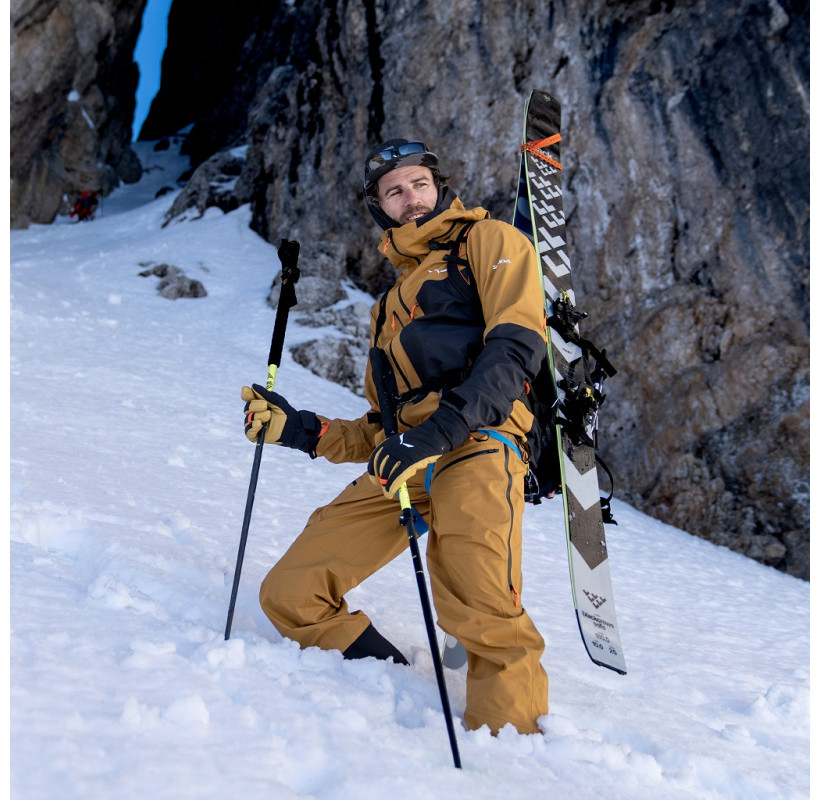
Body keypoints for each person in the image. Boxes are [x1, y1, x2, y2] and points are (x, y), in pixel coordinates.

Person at [241, 138, 549, 735]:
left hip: (477, 444)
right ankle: (394, 684)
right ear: (379, 207)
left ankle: (511, 749)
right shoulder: (386, 307)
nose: (410, 198)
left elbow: (514, 353)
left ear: (439, 186)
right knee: (291, 594)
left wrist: (438, 434)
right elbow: (382, 426)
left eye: (419, 184)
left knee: (482, 607)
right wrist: (297, 429)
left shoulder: (489, 241)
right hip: (406, 462)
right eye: (394, 192)